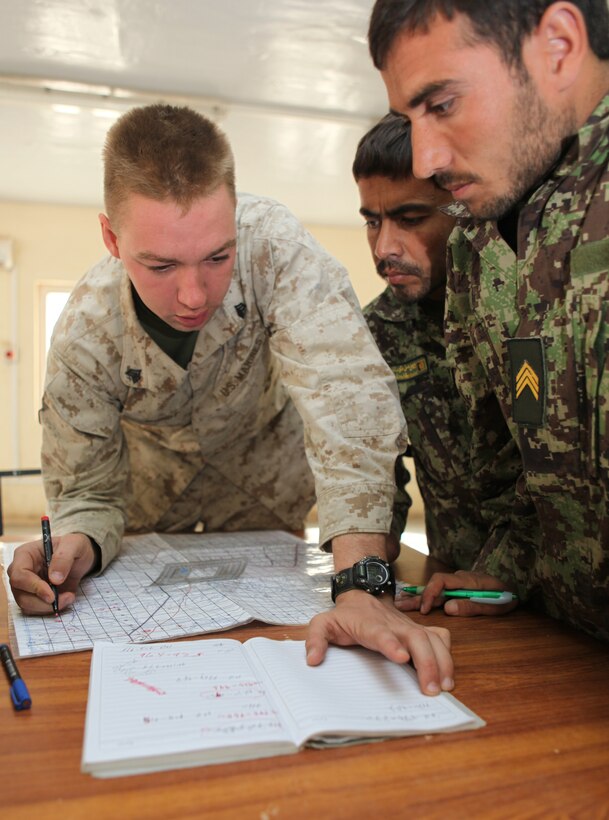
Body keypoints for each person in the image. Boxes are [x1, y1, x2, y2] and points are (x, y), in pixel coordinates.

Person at [7, 103, 454, 693]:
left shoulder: (272, 247)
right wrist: (73, 549)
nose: (193, 294)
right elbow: (87, 493)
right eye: (161, 264)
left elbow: (347, 399)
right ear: (113, 238)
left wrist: (362, 585)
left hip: (267, 489)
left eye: (217, 258)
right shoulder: (85, 333)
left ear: (236, 221)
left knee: (276, 662)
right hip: (149, 506)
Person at [368, 0, 609, 639]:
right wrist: (507, 565)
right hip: (557, 644)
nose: (423, 161)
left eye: (441, 104)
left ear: (557, 46)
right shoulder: (477, 240)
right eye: (407, 119)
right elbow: (518, 471)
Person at [353, 113, 520, 577]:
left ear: (465, 208)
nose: (385, 246)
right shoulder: (378, 328)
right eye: (372, 222)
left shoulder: (525, 310)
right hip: (450, 586)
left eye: (410, 218)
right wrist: (367, 544)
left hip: (557, 590)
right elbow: (375, 467)